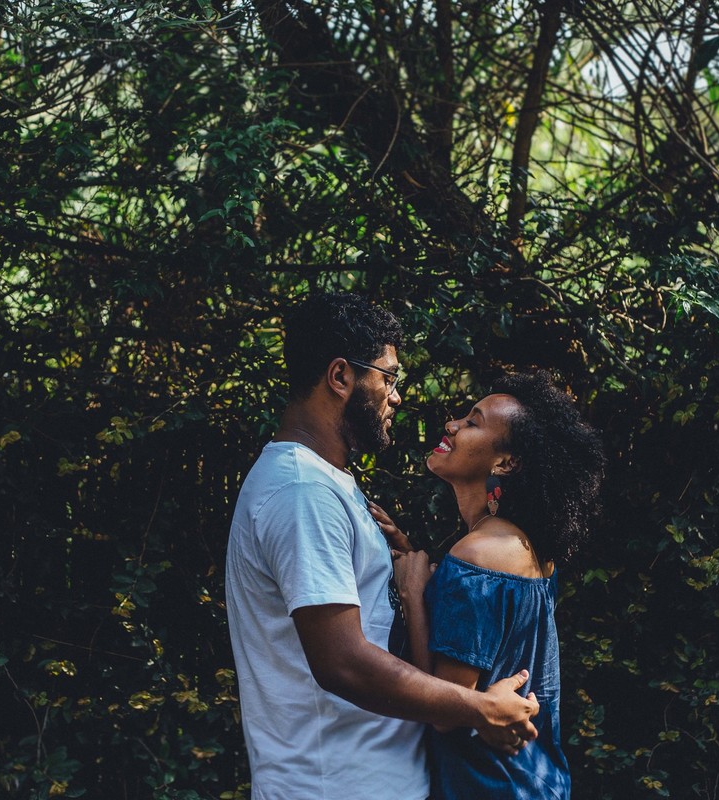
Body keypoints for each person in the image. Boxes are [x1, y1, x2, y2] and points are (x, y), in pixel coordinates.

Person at [224, 293, 541, 800]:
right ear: (341, 377)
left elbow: (371, 620)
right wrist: (480, 708)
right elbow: (342, 661)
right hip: (332, 787)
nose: (396, 396)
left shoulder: (327, 483)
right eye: (389, 377)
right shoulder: (302, 493)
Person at [371, 371, 605, 800]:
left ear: (505, 463)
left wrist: (411, 596)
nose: (452, 425)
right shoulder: (528, 548)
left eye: (473, 422)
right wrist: (409, 554)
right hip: (537, 781)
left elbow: (446, 708)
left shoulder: (478, 556)